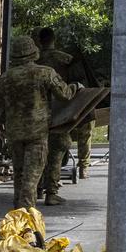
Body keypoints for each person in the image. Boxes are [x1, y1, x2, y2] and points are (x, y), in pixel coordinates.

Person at [0, 35, 74, 208]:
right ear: (33, 52)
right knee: (31, 179)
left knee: (19, 176)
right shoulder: (45, 73)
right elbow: (65, 94)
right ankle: (27, 219)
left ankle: (18, 214)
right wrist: (76, 87)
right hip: (37, 134)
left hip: (14, 134)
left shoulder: (4, 79)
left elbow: (0, 113)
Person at [36, 28, 91, 195]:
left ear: (39, 41)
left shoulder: (34, 61)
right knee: (61, 146)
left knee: (36, 152)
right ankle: (83, 167)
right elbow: (77, 86)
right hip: (61, 112)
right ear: (54, 39)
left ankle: (37, 188)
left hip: (35, 114)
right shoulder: (66, 59)